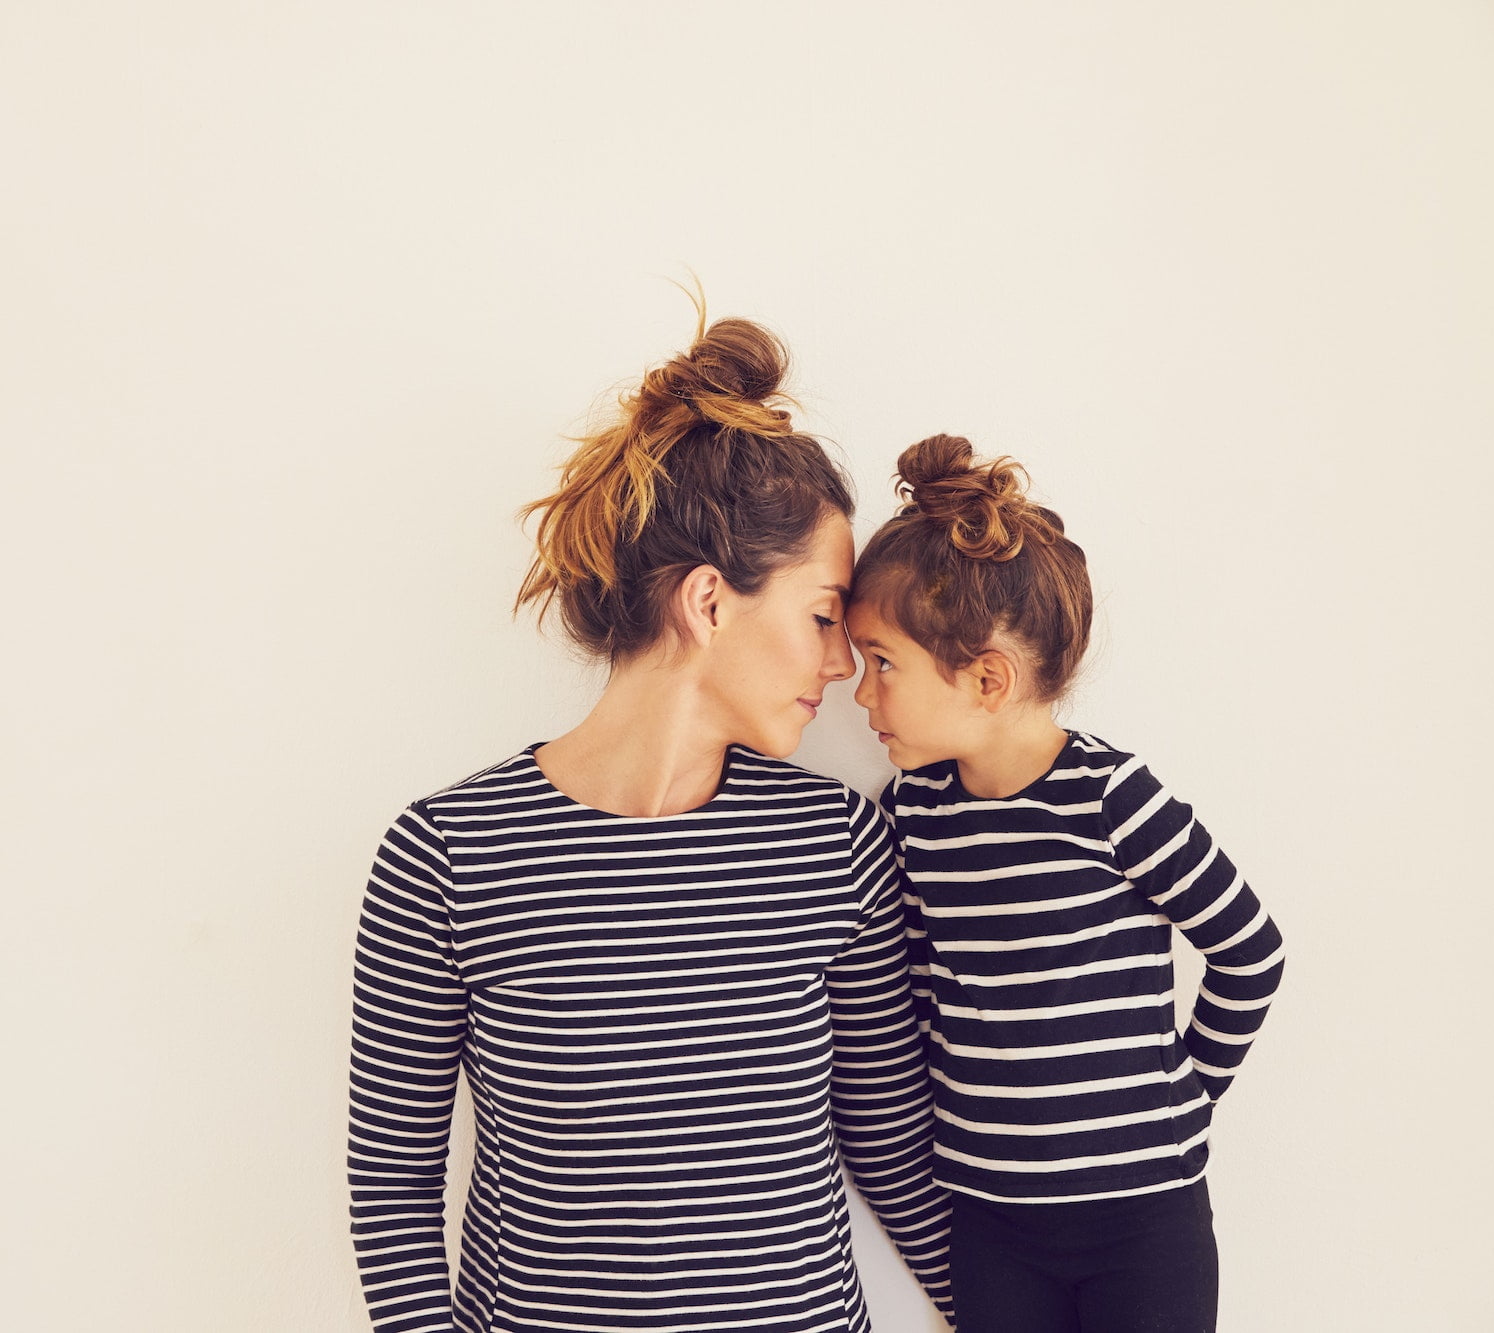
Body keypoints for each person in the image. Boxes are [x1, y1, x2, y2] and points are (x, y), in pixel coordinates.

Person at [347, 313, 955, 1332]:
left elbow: (890, 1147)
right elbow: (393, 1191)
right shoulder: (446, 855)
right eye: (821, 617)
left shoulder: (838, 844)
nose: (840, 667)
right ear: (708, 602)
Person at [846, 434, 1285, 1333]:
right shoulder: (912, 814)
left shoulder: (1113, 796)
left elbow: (1251, 950)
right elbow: (922, 993)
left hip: (1145, 1221)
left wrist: (1188, 1093)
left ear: (987, 677)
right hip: (992, 1226)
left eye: (881, 661)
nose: (861, 693)